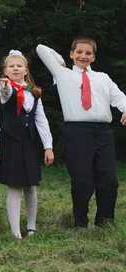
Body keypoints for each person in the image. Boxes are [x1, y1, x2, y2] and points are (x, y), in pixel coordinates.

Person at [37, 38, 126, 228]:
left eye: (88, 53)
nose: (83, 56)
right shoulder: (63, 75)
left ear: (93, 57)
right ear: (72, 54)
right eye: (79, 52)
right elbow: (41, 49)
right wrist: (60, 61)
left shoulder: (103, 77)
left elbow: (119, 97)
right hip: (78, 131)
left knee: (109, 179)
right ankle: (80, 223)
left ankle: (105, 223)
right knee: (82, 180)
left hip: (103, 132)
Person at [0, 50, 54, 239]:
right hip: (11, 141)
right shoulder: (5, 88)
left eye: (19, 66)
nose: (15, 68)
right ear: (6, 71)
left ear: (26, 70)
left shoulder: (34, 93)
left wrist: (48, 146)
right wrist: (3, 86)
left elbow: (41, 120)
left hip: (30, 142)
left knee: (30, 185)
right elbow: (5, 94)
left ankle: (31, 227)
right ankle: (15, 231)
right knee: (14, 185)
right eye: (12, 66)